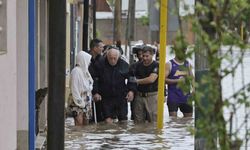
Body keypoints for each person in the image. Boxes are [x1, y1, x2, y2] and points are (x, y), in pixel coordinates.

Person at [92, 48, 135, 124]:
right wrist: (95, 92)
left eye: (114, 58)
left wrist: (131, 91)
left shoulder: (124, 65)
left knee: (123, 121)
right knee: (108, 121)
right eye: (110, 58)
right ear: (107, 57)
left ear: (118, 57)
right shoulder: (100, 65)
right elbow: (94, 80)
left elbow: (131, 78)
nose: (112, 61)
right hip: (105, 97)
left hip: (121, 97)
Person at [165, 44, 194, 117]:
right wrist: (177, 81)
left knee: (188, 120)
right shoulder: (169, 64)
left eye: (184, 51)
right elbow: (163, 80)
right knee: (173, 121)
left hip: (186, 97)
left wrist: (194, 89)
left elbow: (192, 78)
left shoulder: (188, 64)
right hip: (173, 97)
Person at [133, 46, 159, 123]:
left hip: (152, 96)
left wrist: (137, 81)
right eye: (143, 56)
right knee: (138, 121)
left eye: (147, 56)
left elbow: (151, 79)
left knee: (154, 121)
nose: (144, 58)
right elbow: (132, 78)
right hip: (139, 96)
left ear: (152, 55)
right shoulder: (137, 65)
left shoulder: (156, 65)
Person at [68, 51, 93, 126]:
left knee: (85, 125)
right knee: (79, 124)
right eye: (88, 60)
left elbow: (90, 83)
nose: (89, 63)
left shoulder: (86, 72)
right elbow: (74, 88)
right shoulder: (76, 71)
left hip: (86, 100)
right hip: (78, 101)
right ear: (83, 60)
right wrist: (80, 102)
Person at [88, 38, 105, 122]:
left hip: (99, 92)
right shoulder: (86, 59)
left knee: (99, 116)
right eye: (101, 47)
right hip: (88, 91)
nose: (102, 49)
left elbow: (101, 77)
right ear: (95, 48)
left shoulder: (102, 60)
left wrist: (97, 92)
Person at [129, 45, 144, 120]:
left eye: (143, 54)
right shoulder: (133, 66)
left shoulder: (154, 65)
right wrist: (131, 91)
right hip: (136, 93)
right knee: (136, 117)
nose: (141, 56)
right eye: (139, 54)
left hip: (150, 94)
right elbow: (131, 80)